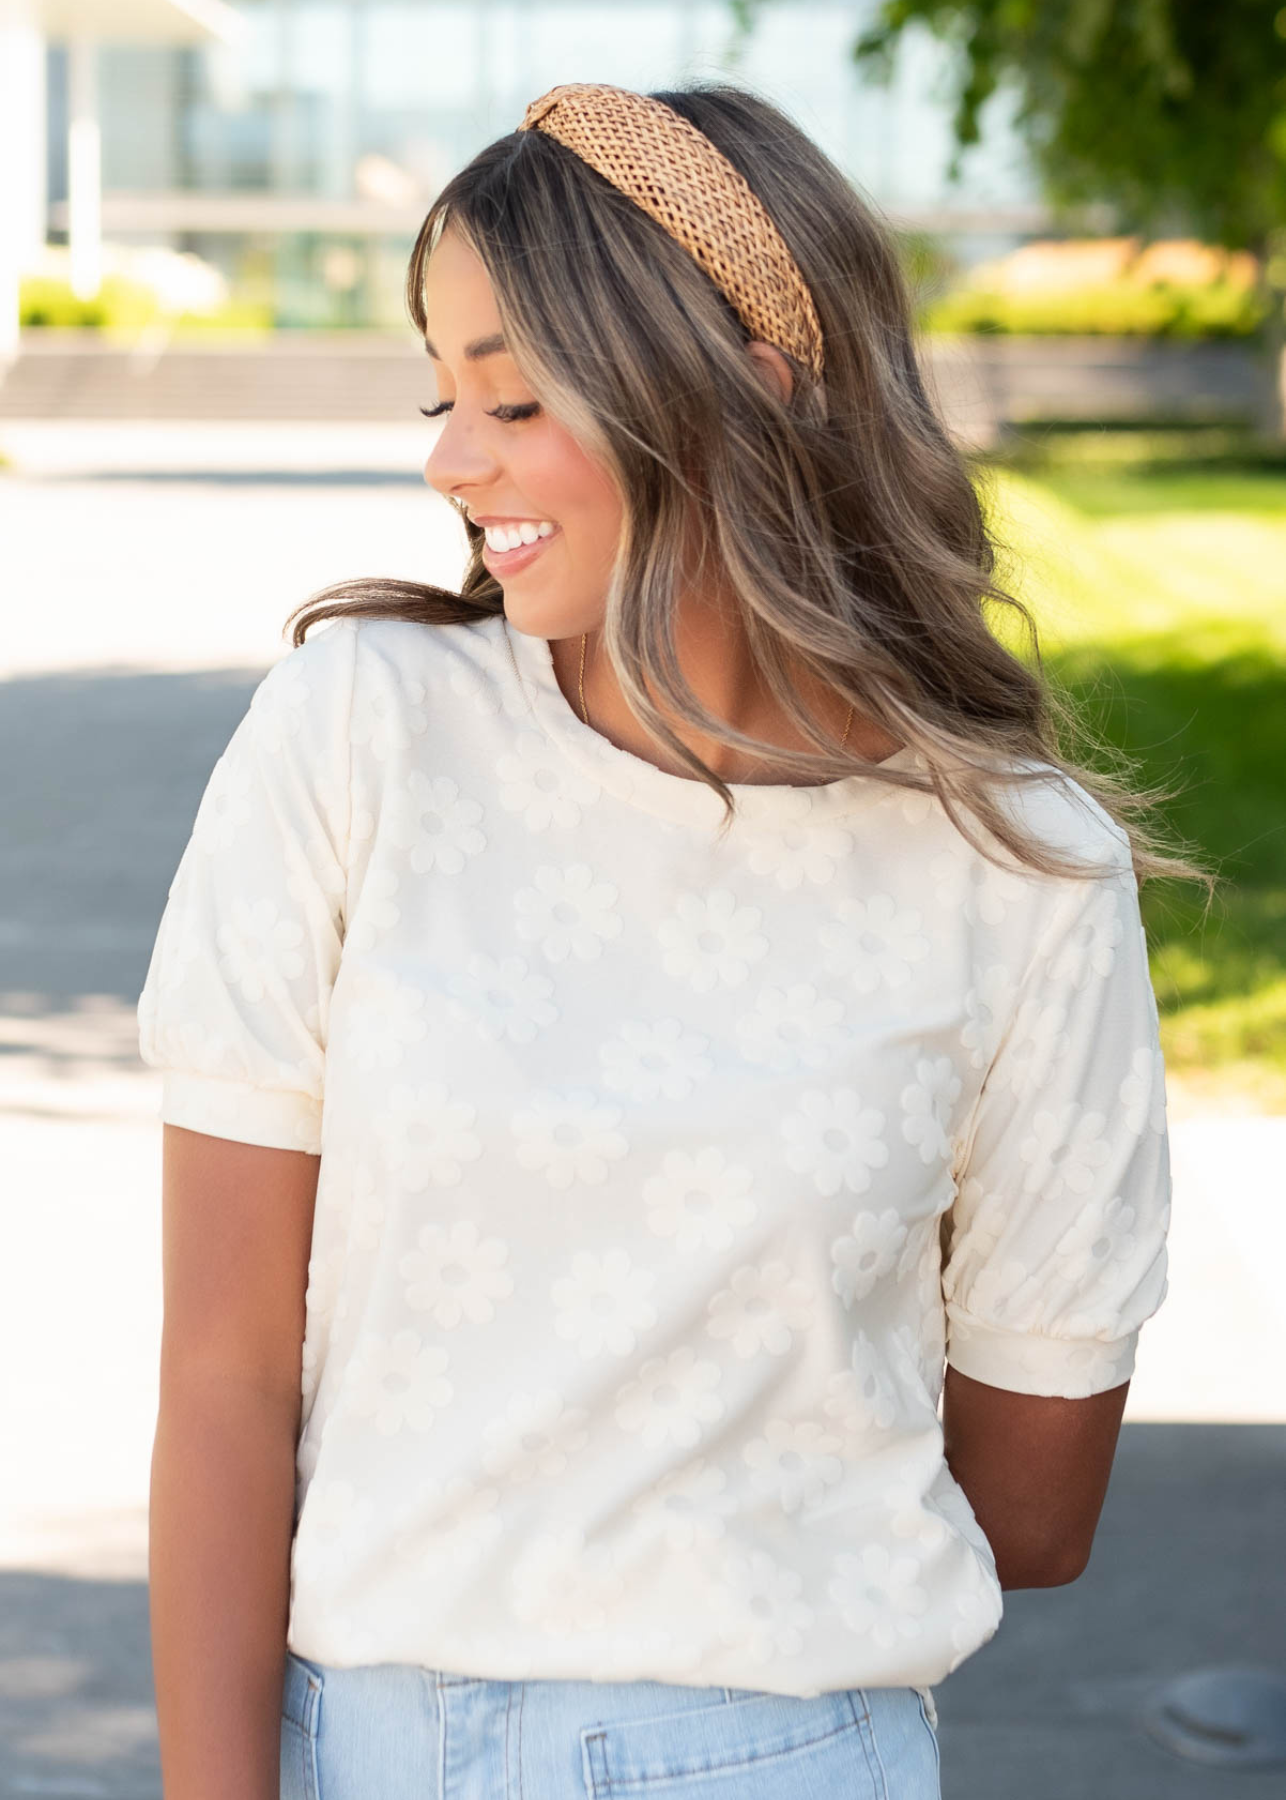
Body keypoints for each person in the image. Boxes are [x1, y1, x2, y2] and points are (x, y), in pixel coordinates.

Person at [139, 81, 1208, 1800]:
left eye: (514, 394)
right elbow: (221, 1378)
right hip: (366, 1752)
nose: (448, 455)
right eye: (441, 390)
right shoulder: (362, 735)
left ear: (739, 387)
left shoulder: (1018, 875)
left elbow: (1031, 1510)